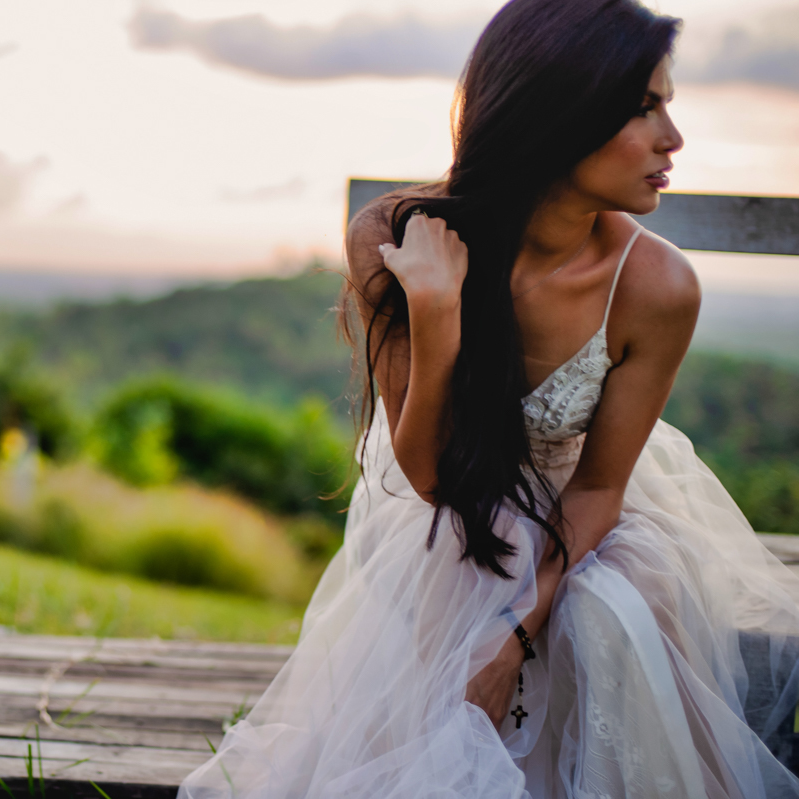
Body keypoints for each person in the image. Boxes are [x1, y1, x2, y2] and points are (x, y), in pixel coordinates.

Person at [176, 0, 799, 796]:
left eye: (667, 105)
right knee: (441, 670)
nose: (672, 138)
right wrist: (436, 310)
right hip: (448, 508)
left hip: (585, 522)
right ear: (558, 109)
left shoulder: (659, 285)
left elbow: (599, 489)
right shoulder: (396, 237)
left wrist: (515, 635)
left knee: (612, 609)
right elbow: (430, 476)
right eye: (644, 107)